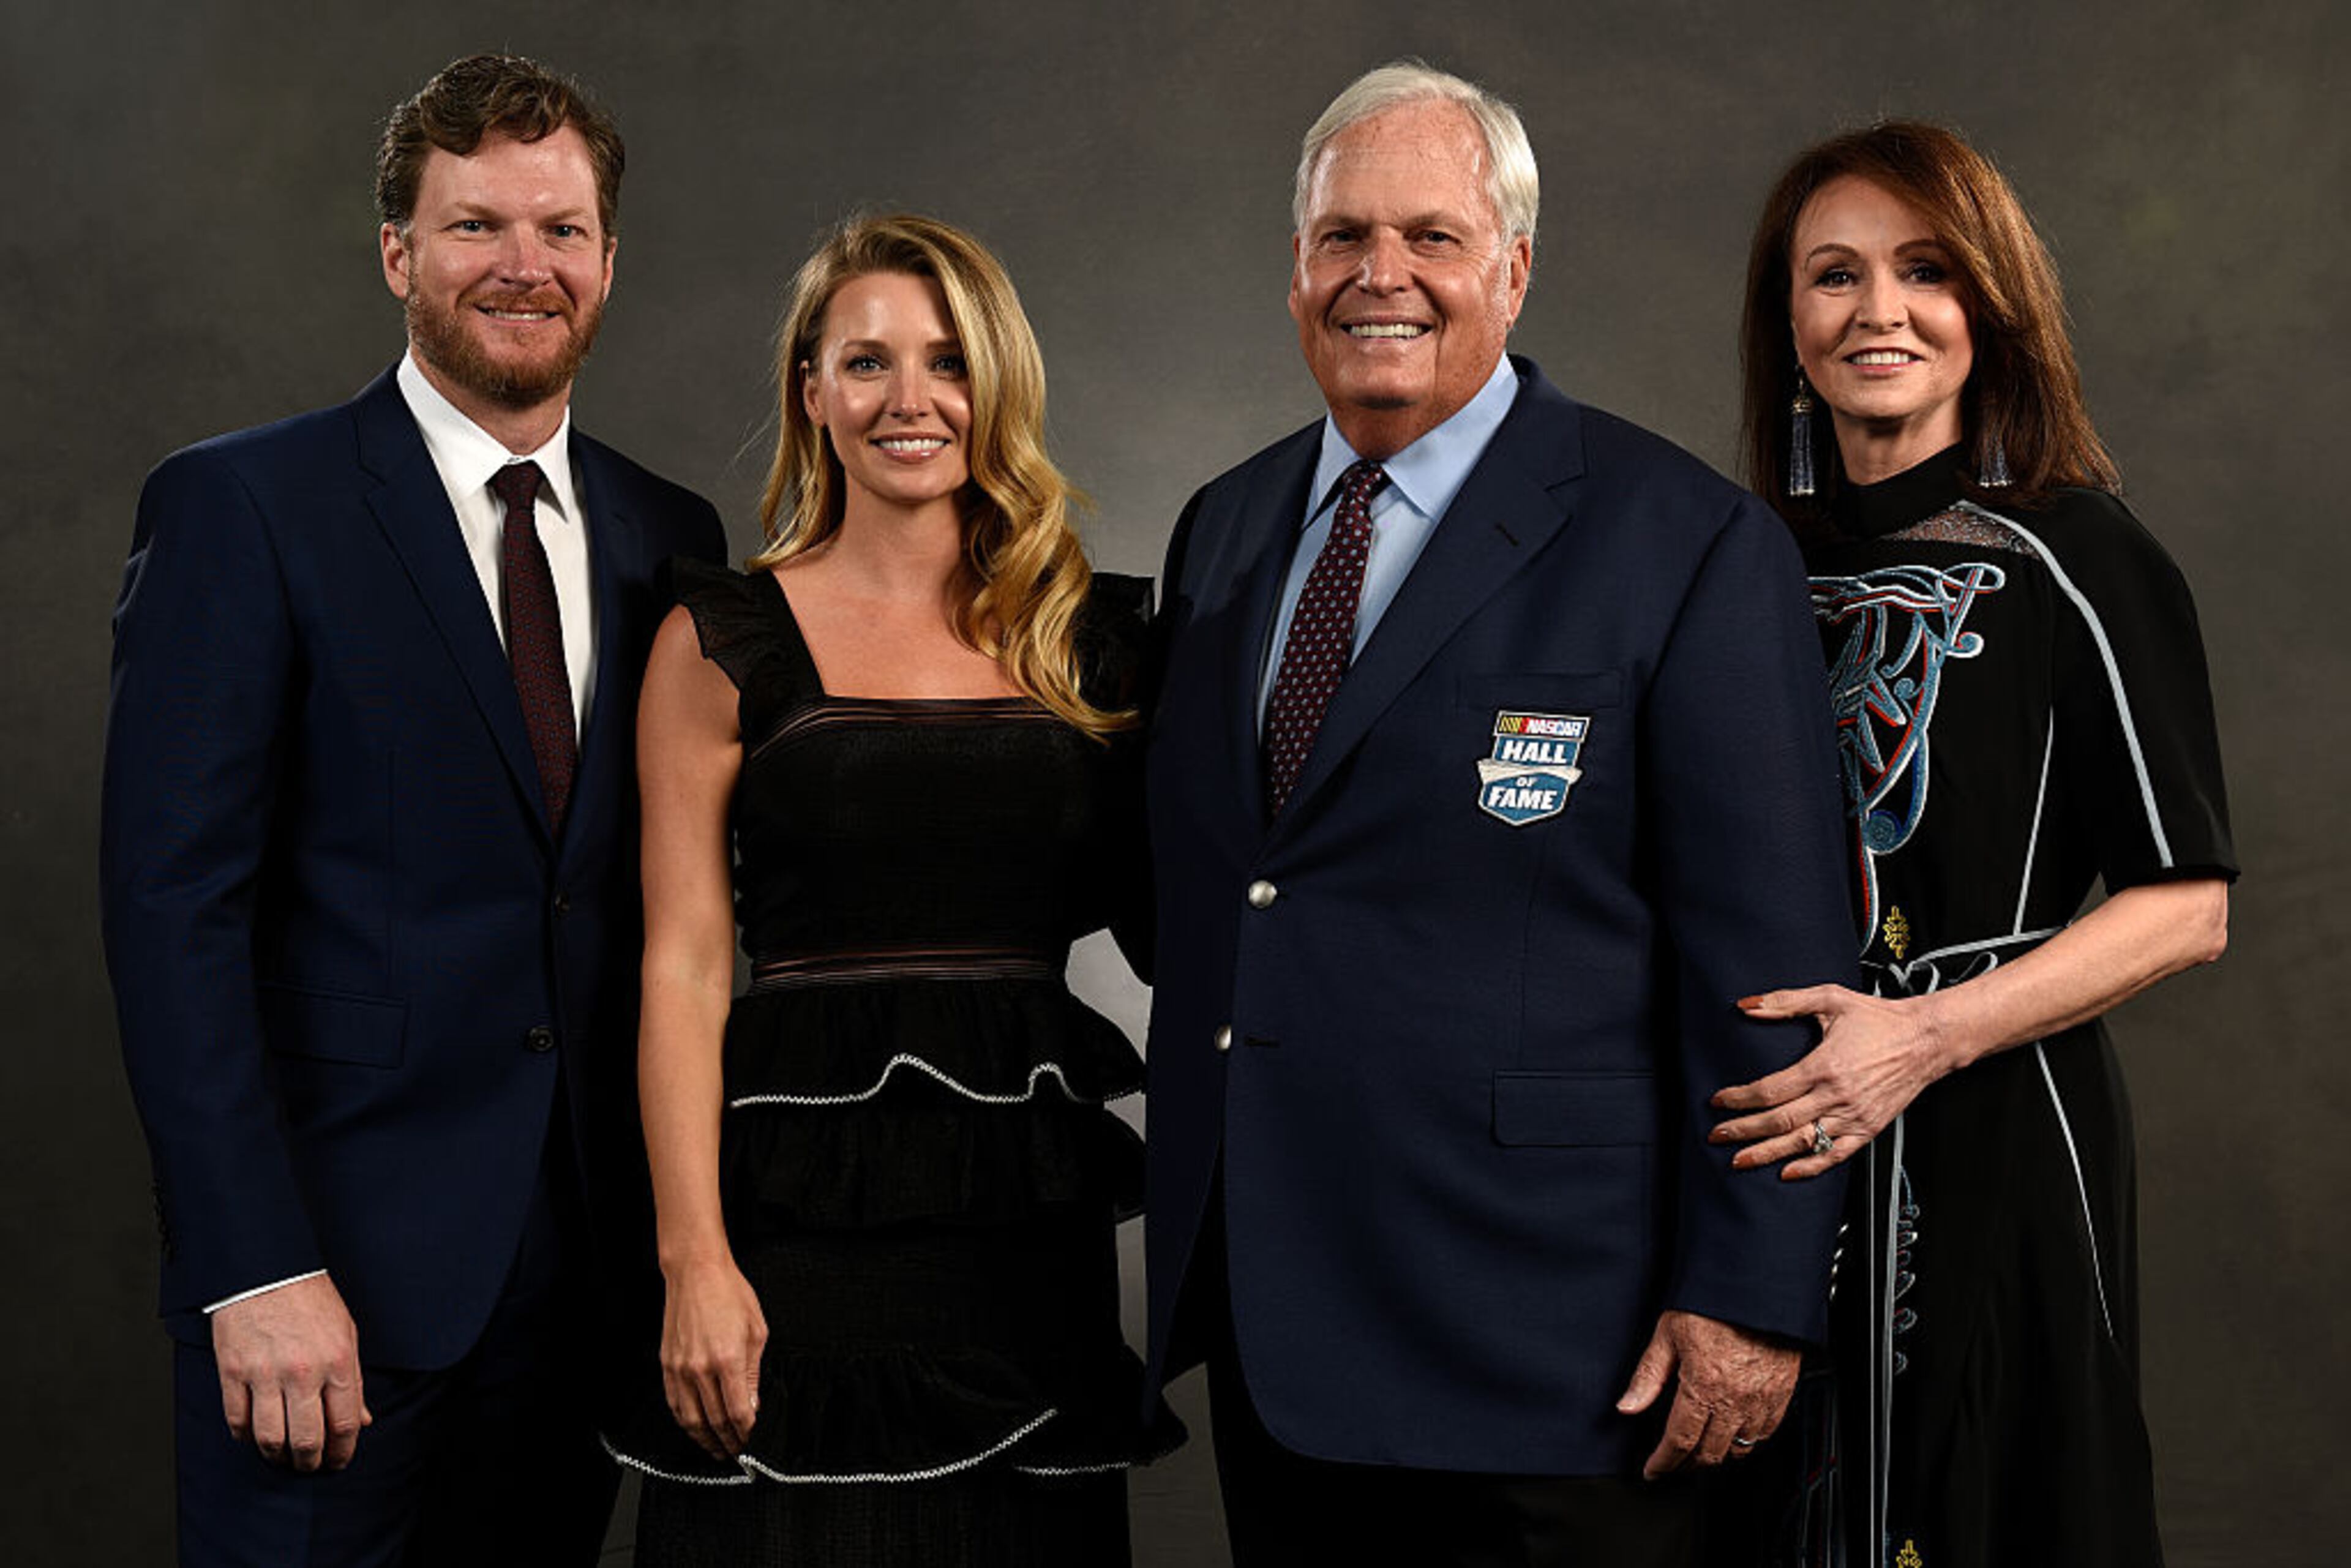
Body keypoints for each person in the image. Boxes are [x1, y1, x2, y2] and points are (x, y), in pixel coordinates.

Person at [1141, 62, 1859, 1566]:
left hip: (1566, 1346)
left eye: (1432, 238)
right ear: (1294, 272)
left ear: (1515, 270)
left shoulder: (1686, 542)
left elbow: (1774, 969)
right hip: (1286, 1326)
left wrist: (1750, 1294)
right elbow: (1235, 890)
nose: (1378, 276)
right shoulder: (1224, 528)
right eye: (1341, 238)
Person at [97, 53, 727, 1567]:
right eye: (476, 228)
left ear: (609, 260)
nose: (525, 266)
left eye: (562, 231)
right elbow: (173, 914)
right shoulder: (244, 510)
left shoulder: (669, 537)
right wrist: (251, 1269)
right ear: (398, 254)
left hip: (579, 1302)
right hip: (327, 1299)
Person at [602, 212, 1176, 1567]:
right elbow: (682, 965)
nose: (910, 401)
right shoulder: (719, 634)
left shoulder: (1098, 640)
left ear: (1000, 387)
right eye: (867, 363)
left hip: (1024, 1221)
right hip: (791, 1219)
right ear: (811, 390)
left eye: (947, 362)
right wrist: (693, 1260)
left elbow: (1206, 926)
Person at [1711, 120, 2235, 1566]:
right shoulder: (1737, 558)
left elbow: (2185, 904)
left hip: (1995, 1124)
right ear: (1787, 322)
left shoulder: (2081, 553)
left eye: (1925, 270)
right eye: (1833, 276)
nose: (1878, 310)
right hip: (1772, 1147)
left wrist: (1923, 1038)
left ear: (1990, 301)